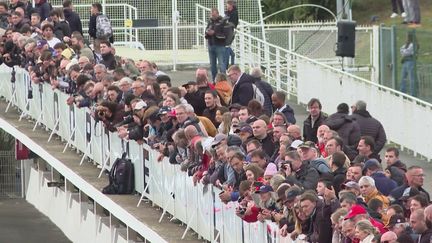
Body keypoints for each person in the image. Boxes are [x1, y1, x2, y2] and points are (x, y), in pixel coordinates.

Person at [205, 8, 226, 81]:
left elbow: (225, 33)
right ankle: (214, 80)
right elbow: (206, 29)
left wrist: (215, 33)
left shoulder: (222, 21)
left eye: (214, 15)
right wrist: (207, 32)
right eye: (211, 15)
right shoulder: (210, 21)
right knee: (212, 65)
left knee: (221, 64)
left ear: (217, 14)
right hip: (211, 45)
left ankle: (223, 81)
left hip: (220, 45)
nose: (212, 16)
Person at [400, 31, 417, 96]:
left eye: (407, 36)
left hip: (410, 62)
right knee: (403, 78)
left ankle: (413, 94)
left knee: (411, 78)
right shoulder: (407, 44)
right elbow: (401, 50)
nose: (406, 38)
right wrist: (404, 51)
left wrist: (404, 51)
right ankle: (402, 93)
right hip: (405, 62)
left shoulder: (413, 44)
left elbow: (406, 52)